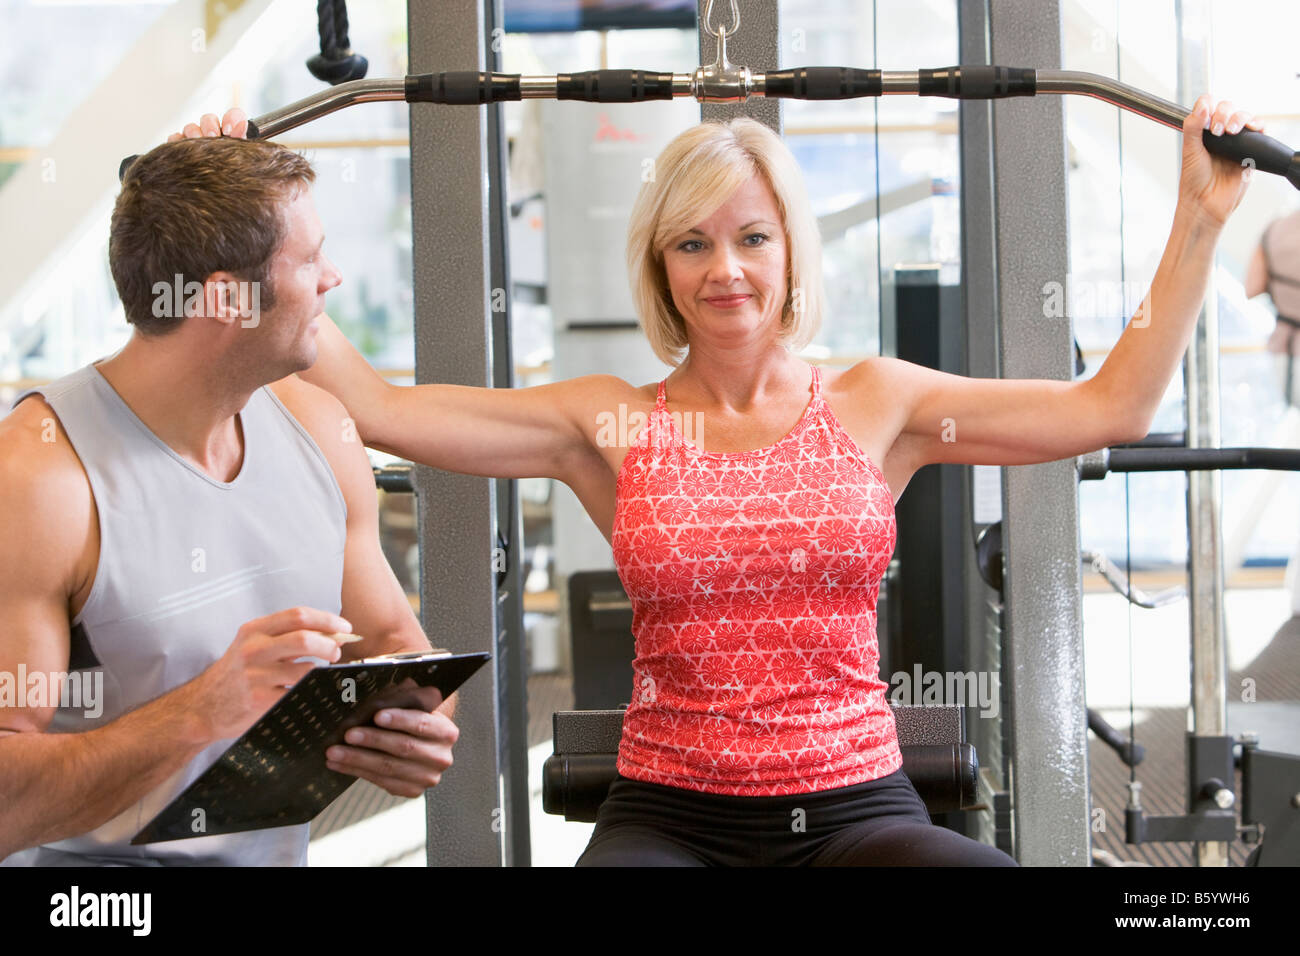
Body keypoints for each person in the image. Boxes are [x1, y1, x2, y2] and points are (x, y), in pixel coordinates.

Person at [258, 93, 1249, 865]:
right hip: (669, 813)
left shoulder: (878, 402)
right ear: (660, 264)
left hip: (857, 804)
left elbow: (1110, 406)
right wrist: (256, 222)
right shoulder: (608, 421)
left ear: (788, 250)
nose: (724, 268)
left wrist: (1197, 221)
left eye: (750, 237)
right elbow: (378, 406)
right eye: (692, 243)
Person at [0, 122, 460, 866]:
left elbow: (395, 646)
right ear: (227, 301)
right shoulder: (39, 479)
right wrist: (197, 712)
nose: (333, 278)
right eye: (309, 260)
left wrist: (414, 726)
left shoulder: (318, 426)